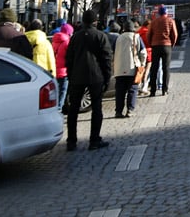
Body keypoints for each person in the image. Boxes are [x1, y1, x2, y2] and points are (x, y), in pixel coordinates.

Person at [63, 10, 112, 151]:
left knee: (73, 110)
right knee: (97, 108)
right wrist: (106, 77)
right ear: (95, 21)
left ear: (83, 21)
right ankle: (94, 140)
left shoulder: (75, 37)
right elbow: (106, 59)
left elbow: (69, 58)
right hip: (95, 76)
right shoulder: (100, 36)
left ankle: (71, 141)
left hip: (77, 77)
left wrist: (70, 75)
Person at [110, 21, 146, 118]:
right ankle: (130, 110)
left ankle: (118, 111)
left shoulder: (118, 38)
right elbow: (143, 52)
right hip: (132, 67)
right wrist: (142, 64)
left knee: (120, 91)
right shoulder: (136, 37)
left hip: (119, 69)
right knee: (132, 89)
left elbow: (113, 52)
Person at [145, 5, 178, 95]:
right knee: (166, 68)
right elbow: (174, 35)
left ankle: (152, 90)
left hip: (155, 45)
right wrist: (172, 44)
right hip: (166, 46)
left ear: (158, 13)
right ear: (166, 12)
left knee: (154, 68)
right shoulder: (171, 21)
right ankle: (165, 89)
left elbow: (148, 34)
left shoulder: (154, 22)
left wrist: (151, 43)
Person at [50, 22, 72, 106]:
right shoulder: (67, 43)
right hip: (63, 71)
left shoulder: (54, 40)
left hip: (54, 70)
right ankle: (59, 109)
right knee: (62, 92)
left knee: (54, 93)